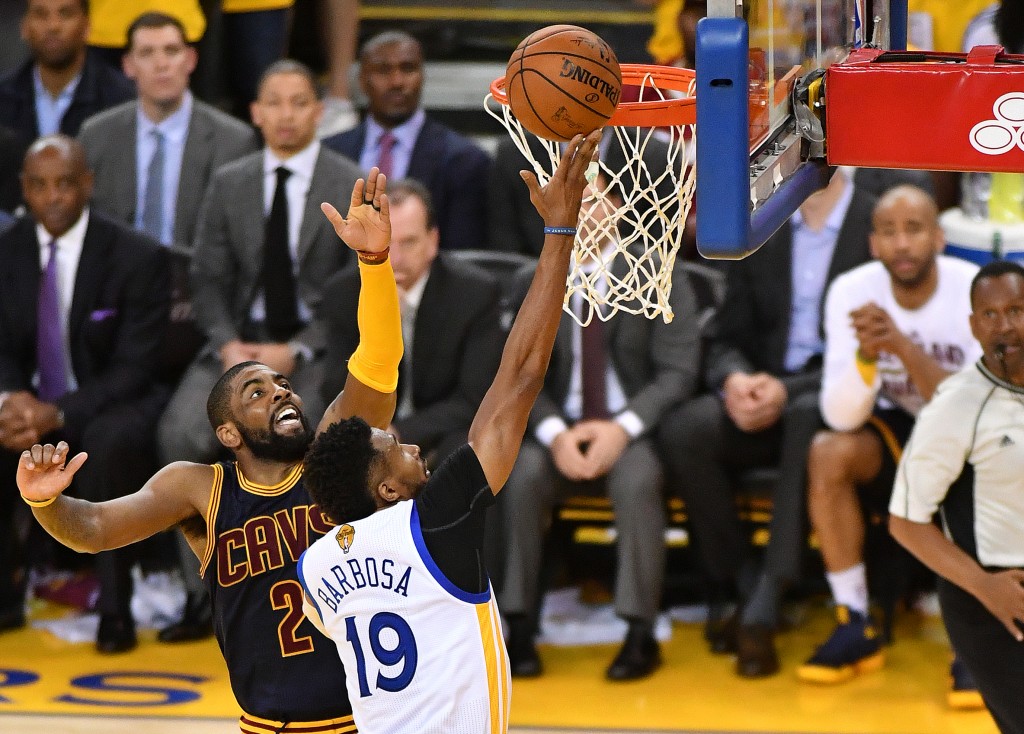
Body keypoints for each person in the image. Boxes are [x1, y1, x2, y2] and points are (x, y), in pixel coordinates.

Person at [16, 169, 403, 733]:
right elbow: (97, 528)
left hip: (364, 720)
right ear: (228, 434)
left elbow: (378, 360)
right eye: (257, 392)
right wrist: (46, 504)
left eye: (281, 385)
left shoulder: (335, 453)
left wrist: (375, 265)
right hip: (262, 723)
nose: (281, 393)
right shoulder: (198, 488)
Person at [296, 131, 601, 733]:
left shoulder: (317, 567)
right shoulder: (437, 522)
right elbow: (519, 377)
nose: (411, 444)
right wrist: (561, 233)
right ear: (385, 490)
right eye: (395, 448)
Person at [155, 59, 362, 639]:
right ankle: (203, 594)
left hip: (313, 355)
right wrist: (227, 346)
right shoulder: (230, 180)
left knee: (321, 439)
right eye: (274, 103)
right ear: (255, 113)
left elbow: (353, 289)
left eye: (299, 102)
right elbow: (207, 280)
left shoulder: (346, 180)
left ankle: (319, 592)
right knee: (179, 435)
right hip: (233, 351)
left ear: (320, 113)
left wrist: (298, 349)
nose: (286, 115)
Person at [656, 168, 876, 678]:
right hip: (762, 391)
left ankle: (766, 601)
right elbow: (727, 333)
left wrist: (788, 390)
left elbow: (869, 352)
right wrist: (735, 379)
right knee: (686, 429)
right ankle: (742, 579)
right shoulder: (764, 218)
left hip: (835, 398)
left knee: (805, 418)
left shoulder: (874, 220)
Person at [496, 174, 701, 681]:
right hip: (558, 429)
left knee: (637, 482)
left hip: (630, 428)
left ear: (618, 204)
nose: (583, 212)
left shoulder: (659, 272)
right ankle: (517, 622)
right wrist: (553, 434)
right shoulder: (533, 280)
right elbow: (515, 375)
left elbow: (678, 373)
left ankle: (639, 629)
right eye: (571, 201)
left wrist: (622, 428)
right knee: (518, 476)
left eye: (592, 200)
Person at [799, 186, 982, 691]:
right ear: (873, 243)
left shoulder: (973, 292)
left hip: (966, 436)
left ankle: (974, 641)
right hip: (896, 430)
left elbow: (966, 416)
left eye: (914, 229)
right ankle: (854, 620)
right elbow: (839, 415)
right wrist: (866, 356)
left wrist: (898, 344)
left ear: (940, 238)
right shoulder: (852, 290)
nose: (902, 244)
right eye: (889, 232)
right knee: (828, 451)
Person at [0, 136, 170, 651]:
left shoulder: (137, 256)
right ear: (25, 190)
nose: (53, 197)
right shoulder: (6, 251)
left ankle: (115, 611)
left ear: (87, 185)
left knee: (107, 444)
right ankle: (7, 597)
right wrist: (11, 402)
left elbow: (135, 368)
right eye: (40, 185)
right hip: (32, 405)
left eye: (65, 184)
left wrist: (56, 413)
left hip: (114, 402)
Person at [889, 260, 1024, 734]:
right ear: (972, 325)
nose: (1004, 325)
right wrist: (986, 587)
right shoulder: (956, 406)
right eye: (989, 314)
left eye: (1016, 309)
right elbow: (905, 522)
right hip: (995, 602)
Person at [320, 178, 504, 464]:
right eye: (387, 244)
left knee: (468, 453)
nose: (396, 259)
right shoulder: (344, 292)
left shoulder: (475, 294)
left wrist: (399, 432)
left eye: (409, 243)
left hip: (444, 435)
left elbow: (474, 397)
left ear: (433, 241)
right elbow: (335, 385)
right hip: (368, 433)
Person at [79, 11, 258, 250]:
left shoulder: (234, 142)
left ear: (191, 60)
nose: (161, 64)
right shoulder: (96, 136)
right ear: (128, 66)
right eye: (146, 53)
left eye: (171, 51)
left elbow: (239, 239)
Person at [323, 31, 491, 251]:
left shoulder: (465, 160)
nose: (397, 81)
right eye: (383, 70)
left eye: (408, 68)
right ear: (362, 79)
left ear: (422, 76)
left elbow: (462, 256)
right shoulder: (330, 153)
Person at [0, 0, 134, 148]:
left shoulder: (122, 101)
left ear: (87, 26)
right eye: (41, 15)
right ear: (24, 27)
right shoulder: (3, 98)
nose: (53, 26)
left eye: (66, 14)